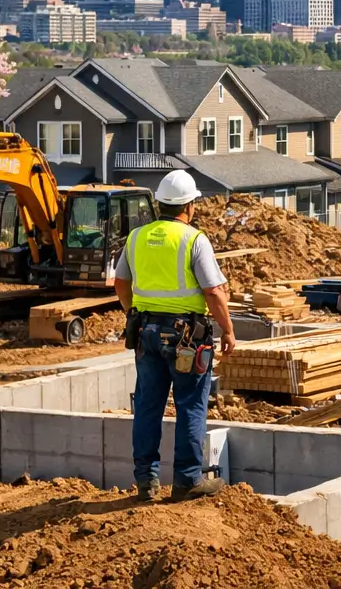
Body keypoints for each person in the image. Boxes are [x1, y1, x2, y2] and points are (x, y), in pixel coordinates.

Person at [113, 170, 236, 502]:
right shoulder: (194, 240)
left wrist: (133, 314)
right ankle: (186, 481)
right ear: (190, 206)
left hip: (146, 333)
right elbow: (213, 292)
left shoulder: (136, 237)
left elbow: (121, 284)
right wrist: (228, 329)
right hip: (186, 336)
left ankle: (146, 482)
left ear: (159, 204)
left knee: (148, 406)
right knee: (190, 405)